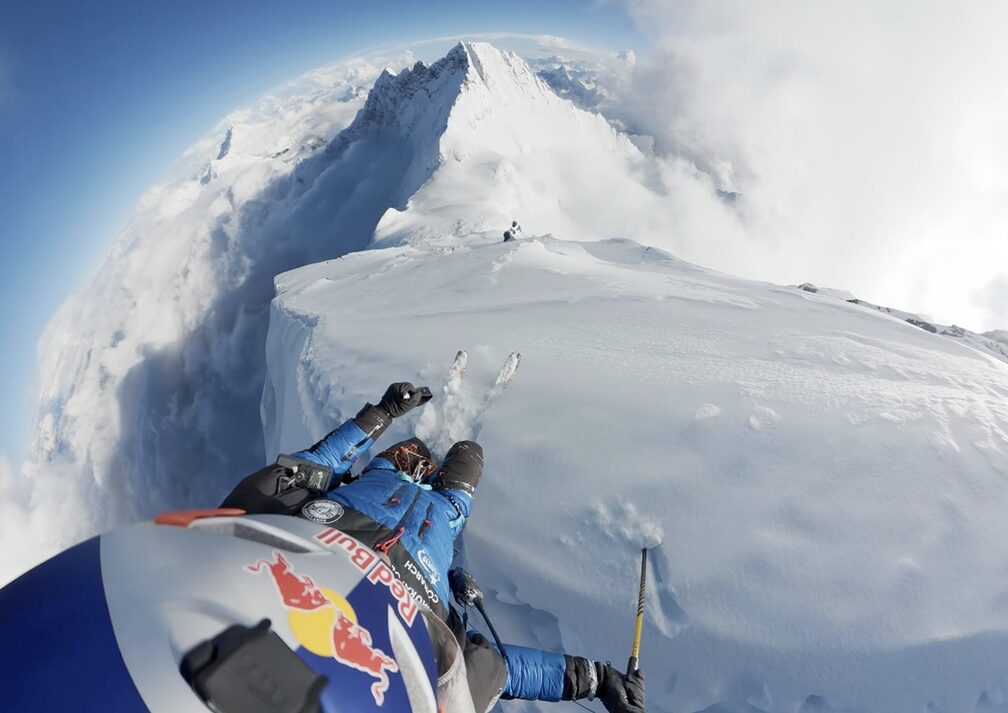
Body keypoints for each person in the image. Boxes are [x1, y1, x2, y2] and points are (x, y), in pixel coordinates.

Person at [222, 382, 645, 713]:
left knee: (424, 452)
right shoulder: (422, 691)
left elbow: (306, 468)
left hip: (388, 474)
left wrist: (379, 415)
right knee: (470, 454)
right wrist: (597, 679)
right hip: (443, 514)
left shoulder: (246, 550)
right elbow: (500, 669)